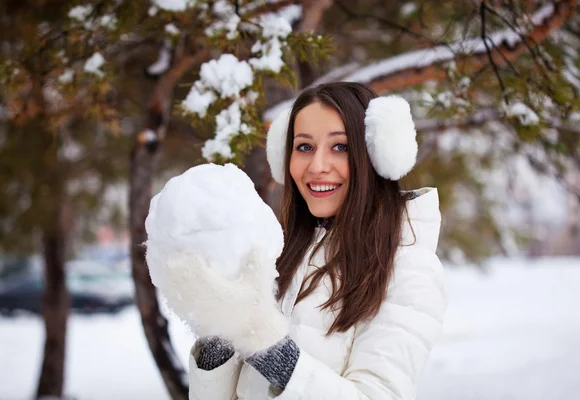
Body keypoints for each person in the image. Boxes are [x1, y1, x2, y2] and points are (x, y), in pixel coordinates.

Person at [183, 82, 447, 399]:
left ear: (377, 155)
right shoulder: (281, 253)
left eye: (341, 147)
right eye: (304, 147)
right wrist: (218, 337)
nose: (317, 166)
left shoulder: (409, 268)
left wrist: (274, 354)